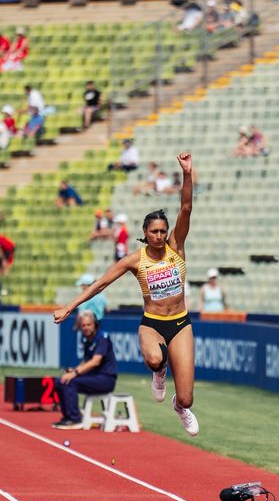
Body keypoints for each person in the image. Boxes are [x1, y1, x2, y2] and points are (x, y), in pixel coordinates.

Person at [54, 152, 199, 436]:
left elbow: (186, 207)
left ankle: (179, 407)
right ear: (145, 232)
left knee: (187, 398)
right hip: (152, 324)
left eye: (162, 231)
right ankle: (158, 372)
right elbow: (99, 284)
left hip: (181, 323)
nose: (159, 235)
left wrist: (187, 173)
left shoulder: (176, 249)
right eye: (154, 231)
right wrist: (70, 307)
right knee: (156, 359)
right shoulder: (135, 259)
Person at [52, 310, 117, 429]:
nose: (86, 328)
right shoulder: (86, 339)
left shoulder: (102, 338)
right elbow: (86, 361)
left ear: (95, 324)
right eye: (83, 325)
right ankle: (67, 416)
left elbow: (95, 361)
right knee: (59, 381)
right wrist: (74, 370)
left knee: (69, 382)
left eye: (88, 325)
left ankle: (75, 419)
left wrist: (75, 374)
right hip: (94, 377)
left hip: (106, 379)